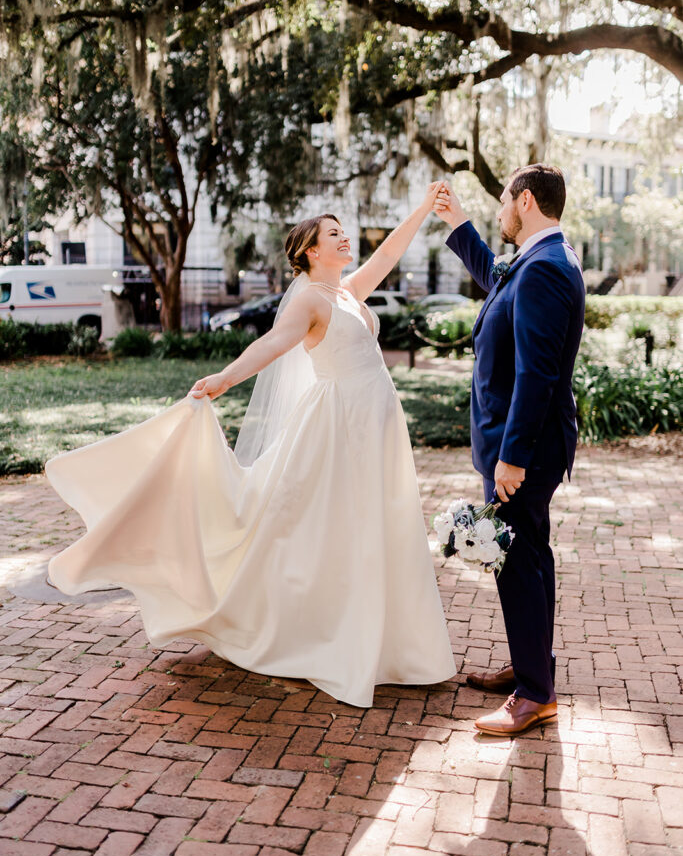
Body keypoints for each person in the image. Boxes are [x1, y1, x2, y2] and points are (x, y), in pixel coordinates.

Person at [46, 182, 455, 708]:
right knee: (317, 525)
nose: (345, 238)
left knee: (370, 522)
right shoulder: (309, 298)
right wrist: (222, 379)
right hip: (338, 426)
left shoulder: (347, 293)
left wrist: (423, 208)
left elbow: (392, 252)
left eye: (343, 232)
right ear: (311, 251)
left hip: (373, 422)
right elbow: (271, 344)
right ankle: (313, 629)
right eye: (335, 234)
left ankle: (384, 642)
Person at [434, 166, 585, 736]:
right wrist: (459, 223)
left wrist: (513, 457)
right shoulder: (538, 259)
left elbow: (537, 374)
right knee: (528, 555)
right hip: (522, 444)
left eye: (502, 202)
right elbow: (495, 281)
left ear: (525, 201)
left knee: (517, 561)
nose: (500, 211)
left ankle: (534, 696)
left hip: (524, 449)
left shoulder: (545, 269)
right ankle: (532, 668)